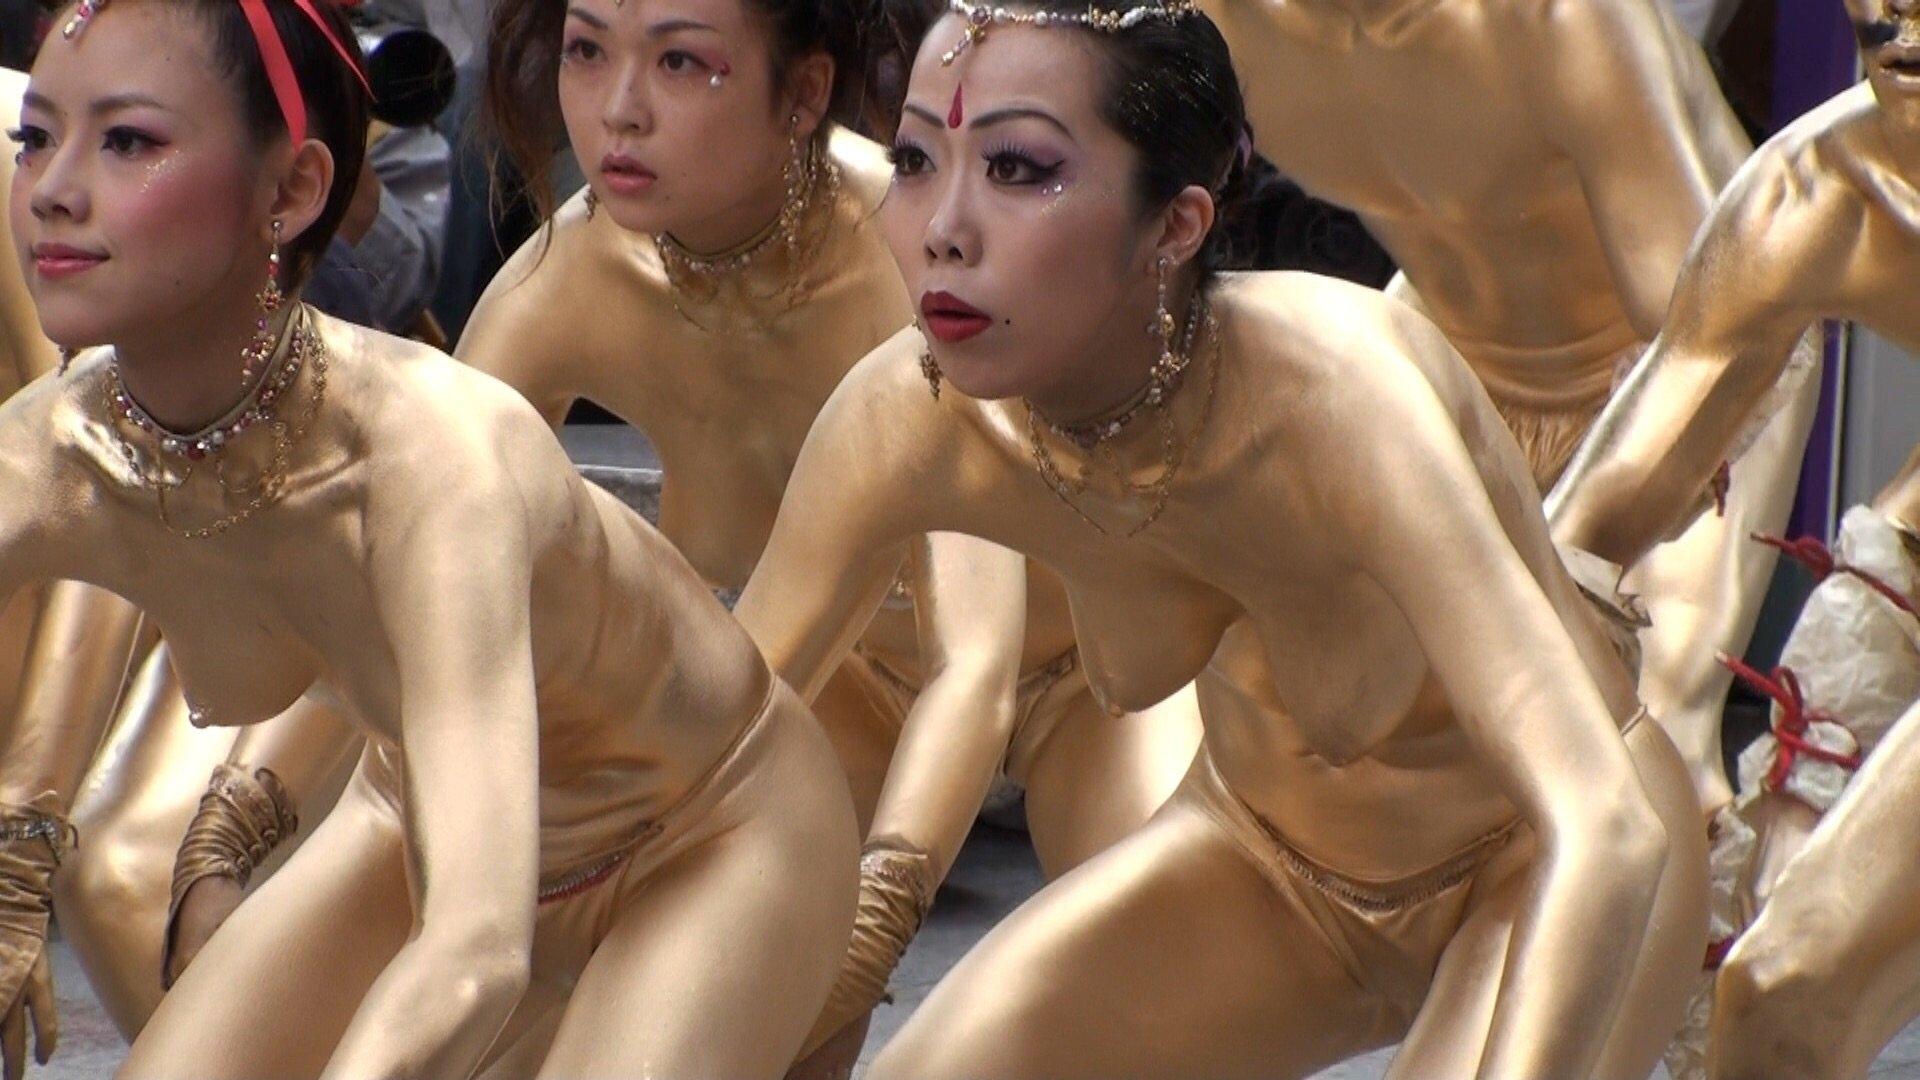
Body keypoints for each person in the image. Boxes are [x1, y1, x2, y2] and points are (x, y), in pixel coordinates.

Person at [735, 2, 1706, 1074]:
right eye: (916, 160)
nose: (942, 229)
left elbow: (1605, 826)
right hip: (1263, 868)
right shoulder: (904, 422)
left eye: (1018, 169)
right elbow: (705, 751)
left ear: (1176, 224)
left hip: (1541, 865)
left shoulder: (1339, 395)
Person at [2, 3, 855, 1076]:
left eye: (128, 140)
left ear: (293, 189)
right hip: (417, 816)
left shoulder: (437, 457)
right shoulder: (53, 449)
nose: (53, 189)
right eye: (35, 136)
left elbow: (474, 950)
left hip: (710, 832)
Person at [1194, 0, 1821, 823]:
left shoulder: (1562, 21)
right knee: (1302, 732)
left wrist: (1583, 541)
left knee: (1638, 738)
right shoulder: (1212, 27)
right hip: (1450, 363)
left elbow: (1714, 334)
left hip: (1680, 377)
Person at [1547, 1, 1920, 1071]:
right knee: (1759, 963)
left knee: (1790, 981)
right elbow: (1606, 508)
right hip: (1902, 569)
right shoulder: (1819, 192)